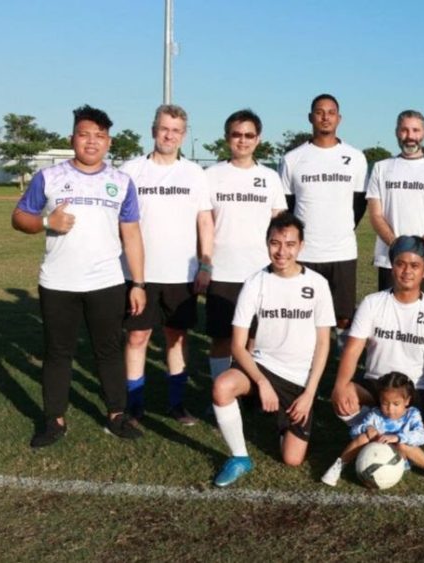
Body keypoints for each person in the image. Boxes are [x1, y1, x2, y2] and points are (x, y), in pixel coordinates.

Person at [13, 104, 147, 447]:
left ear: (109, 142)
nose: (92, 142)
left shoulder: (121, 182)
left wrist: (139, 283)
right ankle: (54, 420)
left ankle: (117, 414)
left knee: (109, 350)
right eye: (85, 134)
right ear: (73, 137)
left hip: (107, 282)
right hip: (58, 282)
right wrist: (47, 222)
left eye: (99, 136)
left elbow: (131, 234)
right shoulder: (50, 178)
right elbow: (20, 218)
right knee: (58, 352)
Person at [210, 212, 334, 488]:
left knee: (292, 459)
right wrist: (262, 382)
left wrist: (310, 394)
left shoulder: (317, 284)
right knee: (222, 386)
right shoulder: (255, 283)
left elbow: (324, 344)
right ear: (267, 243)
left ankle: (284, 423)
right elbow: (237, 346)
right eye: (275, 243)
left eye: (290, 244)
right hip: (262, 366)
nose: (282, 251)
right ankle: (240, 457)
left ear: (301, 246)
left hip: (298, 379)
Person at [121, 104, 214, 426]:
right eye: (164, 128)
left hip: (181, 274)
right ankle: (134, 406)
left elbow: (205, 220)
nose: (169, 135)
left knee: (177, 337)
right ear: (153, 129)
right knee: (137, 337)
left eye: (175, 130)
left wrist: (206, 265)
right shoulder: (130, 170)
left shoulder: (194, 173)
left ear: (183, 135)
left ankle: (176, 404)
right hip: (139, 275)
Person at [330, 236, 424, 450]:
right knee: (344, 391)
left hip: (413, 391)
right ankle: (375, 430)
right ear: (392, 266)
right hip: (376, 385)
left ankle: (385, 432)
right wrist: (340, 386)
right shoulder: (372, 303)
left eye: (415, 265)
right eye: (400, 263)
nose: (407, 271)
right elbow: (352, 350)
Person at [280, 93, 367, 350]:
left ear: (339, 118)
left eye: (331, 112)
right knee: (304, 317)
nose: (325, 117)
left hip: (341, 251)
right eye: (319, 112)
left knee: (343, 317)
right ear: (311, 118)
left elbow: (358, 204)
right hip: (306, 253)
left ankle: (341, 379)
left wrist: (339, 227)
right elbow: (288, 207)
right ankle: (302, 374)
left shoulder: (355, 157)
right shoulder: (293, 158)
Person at [204, 109, 286, 381]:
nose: (243, 140)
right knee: (222, 339)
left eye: (249, 135)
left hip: (260, 272)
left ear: (258, 139)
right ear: (227, 138)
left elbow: (279, 225)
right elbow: (202, 223)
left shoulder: (270, 178)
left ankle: (247, 388)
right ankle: (220, 391)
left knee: (254, 339)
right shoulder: (211, 175)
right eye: (237, 134)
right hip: (222, 272)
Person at [366, 110, 424, 306]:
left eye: (416, 130)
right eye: (404, 130)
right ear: (397, 132)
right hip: (390, 260)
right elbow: (375, 214)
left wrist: (420, 247)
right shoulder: (381, 167)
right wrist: (398, 247)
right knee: (388, 322)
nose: (410, 136)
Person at [321, 372, 424, 487]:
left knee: (403, 444)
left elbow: (421, 436)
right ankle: (339, 465)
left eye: (396, 404)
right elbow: (353, 432)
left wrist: (398, 437)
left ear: (407, 401)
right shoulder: (375, 414)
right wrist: (367, 428)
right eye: (385, 403)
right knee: (363, 437)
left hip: (403, 458)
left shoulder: (412, 414)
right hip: (374, 455)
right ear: (380, 400)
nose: (390, 409)